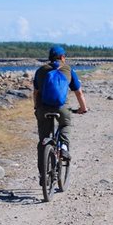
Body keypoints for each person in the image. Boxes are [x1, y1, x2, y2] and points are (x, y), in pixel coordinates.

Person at [33, 45, 88, 183]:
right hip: (61, 108)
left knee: (43, 141)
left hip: (43, 109)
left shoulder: (40, 71)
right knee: (65, 124)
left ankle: (43, 175)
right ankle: (63, 147)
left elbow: (35, 92)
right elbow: (78, 92)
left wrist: (36, 107)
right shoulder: (68, 70)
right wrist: (83, 108)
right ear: (63, 57)